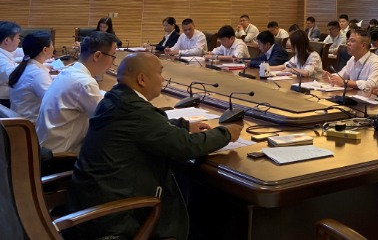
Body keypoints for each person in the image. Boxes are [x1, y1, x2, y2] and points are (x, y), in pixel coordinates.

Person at [65, 53, 241, 240]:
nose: (163, 79)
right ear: (142, 79)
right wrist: (225, 133)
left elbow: (146, 125)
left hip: (91, 209)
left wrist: (183, 125)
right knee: (209, 220)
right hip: (115, 223)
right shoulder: (137, 112)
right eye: (160, 73)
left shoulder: (115, 98)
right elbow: (187, 146)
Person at [36, 32, 117, 153]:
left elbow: (97, 96)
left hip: (45, 149)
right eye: (113, 56)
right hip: (60, 158)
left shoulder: (70, 72)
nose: (113, 62)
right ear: (97, 56)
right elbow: (109, 118)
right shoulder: (85, 83)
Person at [8, 31, 54, 122]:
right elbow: (53, 102)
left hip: (22, 120)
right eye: (52, 45)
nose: (53, 48)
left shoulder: (26, 66)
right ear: (45, 50)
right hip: (31, 124)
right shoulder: (38, 73)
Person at [0, 21, 22, 108]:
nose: (19, 40)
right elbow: (14, 77)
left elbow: (19, 52)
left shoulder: (4, 51)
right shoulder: (1, 59)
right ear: (7, 40)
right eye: (18, 37)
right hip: (4, 102)